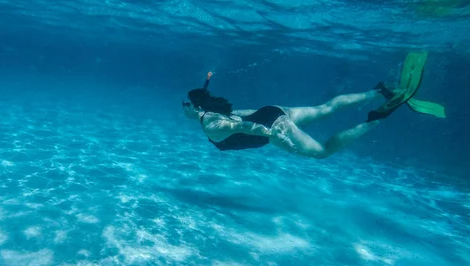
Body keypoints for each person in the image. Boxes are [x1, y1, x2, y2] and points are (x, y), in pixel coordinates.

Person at [183, 54, 445, 158]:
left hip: (273, 125)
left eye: (187, 106)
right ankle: (377, 91)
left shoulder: (211, 123)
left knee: (321, 153)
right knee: (324, 109)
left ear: (196, 108)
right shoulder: (209, 112)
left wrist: (273, 134)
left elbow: (245, 126)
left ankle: (375, 118)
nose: (184, 109)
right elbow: (229, 115)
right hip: (273, 111)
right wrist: (202, 92)